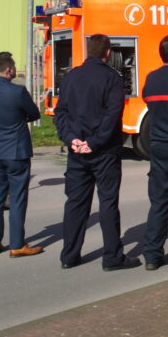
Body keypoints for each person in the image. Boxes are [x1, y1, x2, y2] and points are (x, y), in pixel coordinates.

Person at [54, 34, 138, 271]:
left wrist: (72, 140)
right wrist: (95, 141)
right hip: (105, 152)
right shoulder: (112, 78)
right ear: (108, 53)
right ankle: (112, 257)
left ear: (87, 51)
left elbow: (61, 113)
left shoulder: (71, 77)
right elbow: (113, 115)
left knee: (75, 203)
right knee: (108, 203)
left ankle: (69, 255)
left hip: (77, 151)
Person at [0, 52, 43, 258]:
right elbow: (34, 114)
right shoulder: (17, 91)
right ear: (8, 70)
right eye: (13, 68)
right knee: (17, 198)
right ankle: (17, 244)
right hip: (16, 151)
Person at [141, 35, 168, 270]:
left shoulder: (152, 78)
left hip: (158, 148)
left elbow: (147, 101)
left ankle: (152, 255)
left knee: (159, 204)